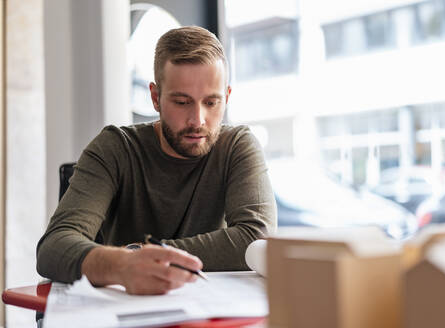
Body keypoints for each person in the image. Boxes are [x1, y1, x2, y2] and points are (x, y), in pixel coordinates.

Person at [36, 26, 277, 295]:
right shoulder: (115, 148)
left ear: (227, 97)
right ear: (155, 97)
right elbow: (53, 247)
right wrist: (121, 266)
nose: (198, 120)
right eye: (182, 102)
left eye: (211, 102)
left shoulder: (237, 147)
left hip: (210, 312)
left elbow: (257, 237)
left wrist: (141, 254)